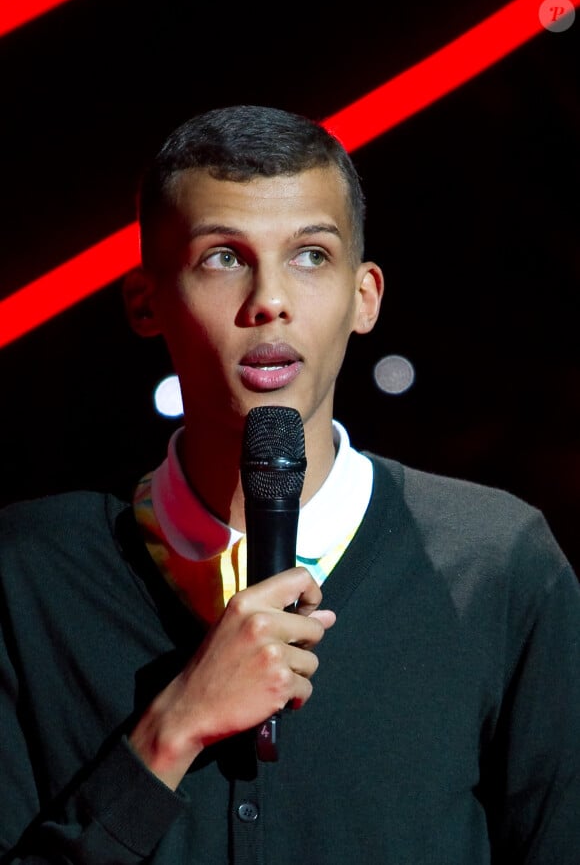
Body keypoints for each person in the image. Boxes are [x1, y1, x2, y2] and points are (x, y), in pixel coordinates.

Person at [1, 104, 579, 865]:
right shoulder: (30, 574)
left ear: (364, 295)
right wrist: (173, 730)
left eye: (310, 255)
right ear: (145, 301)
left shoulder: (495, 563)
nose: (269, 299)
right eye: (222, 257)